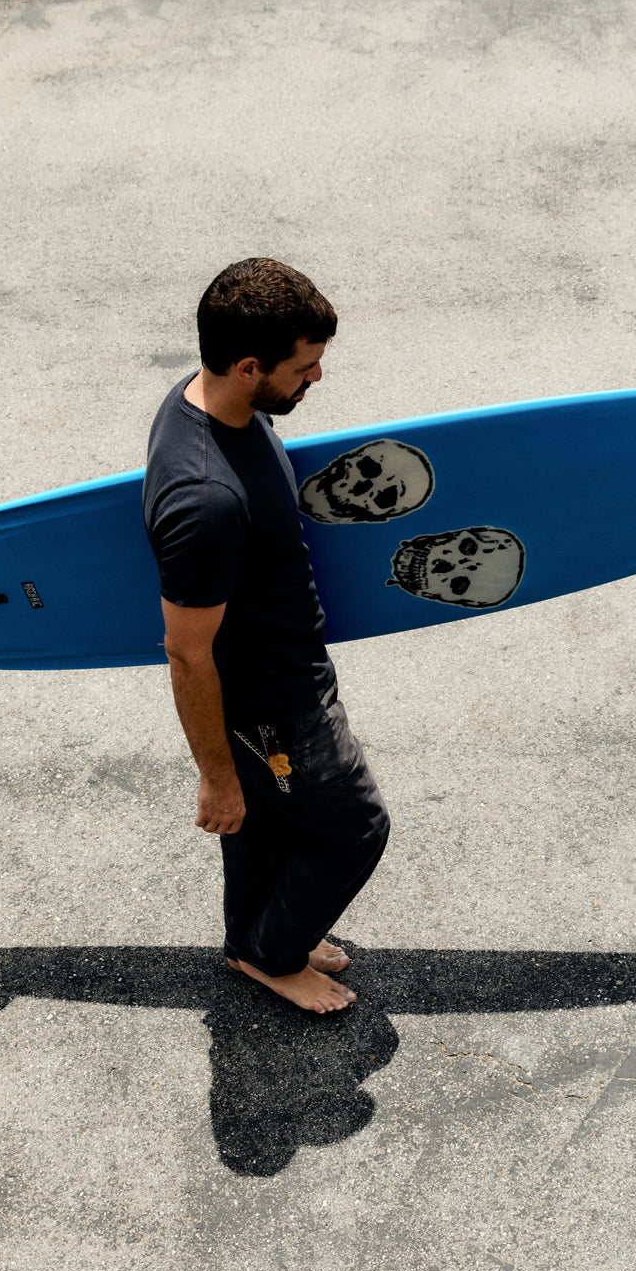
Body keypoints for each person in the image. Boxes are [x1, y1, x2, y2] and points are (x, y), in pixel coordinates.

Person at [143, 258, 390, 1015]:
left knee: (270, 818)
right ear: (248, 366)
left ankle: (256, 933)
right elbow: (186, 652)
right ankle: (271, 953)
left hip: (283, 669)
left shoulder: (209, 402)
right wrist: (216, 777)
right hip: (273, 698)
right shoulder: (206, 501)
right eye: (304, 368)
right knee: (353, 826)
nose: (316, 380)